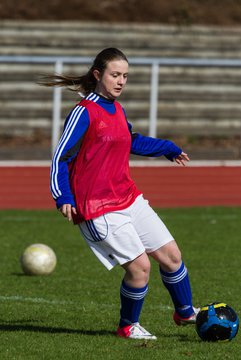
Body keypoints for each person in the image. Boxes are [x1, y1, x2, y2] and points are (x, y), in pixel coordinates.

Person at [41, 48, 198, 340]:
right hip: (98, 207)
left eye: (125, 75)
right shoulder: (83, 112)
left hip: (128, 198)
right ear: (98, 75)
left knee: (172, 256)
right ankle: (127, 326)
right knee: (140, 268)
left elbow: (130, 141)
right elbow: (60, 157)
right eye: (115, 74)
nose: (121, 81)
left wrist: (168, 148)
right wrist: (62, 196)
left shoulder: (117, 109)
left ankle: (186, 312)